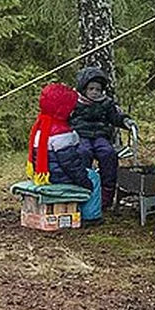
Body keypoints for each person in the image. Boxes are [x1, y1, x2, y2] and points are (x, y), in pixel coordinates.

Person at [26, 82, 102, 223]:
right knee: (94, 177)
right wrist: (84, 180)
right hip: (58, 176)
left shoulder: (40, 126)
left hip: (45, 173)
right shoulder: (61, 133)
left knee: (86, 172)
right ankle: (91, 216)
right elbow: (70, 164)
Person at [71, 66, 136, 212]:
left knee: (108, 153)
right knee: (83, 152)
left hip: (101, 136)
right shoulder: (75, 101)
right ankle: (83, 189)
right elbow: (65, 116)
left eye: (98, 89)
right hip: (81, 135)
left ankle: (106, 197)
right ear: (83, 88)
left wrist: (125, 120)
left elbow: (115, 117)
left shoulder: (106, 103)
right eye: (91, 89)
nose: (94, 92)